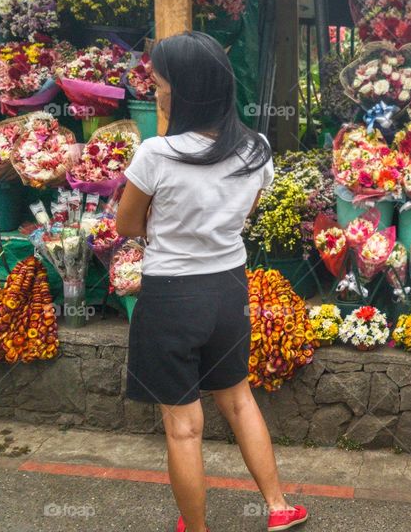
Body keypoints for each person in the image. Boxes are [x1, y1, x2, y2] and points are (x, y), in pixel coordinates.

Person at [117, 32, 309, 532]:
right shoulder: (256, 149)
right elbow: (241, 216)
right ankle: (278, 506)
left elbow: (126, 227)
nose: (156, 92)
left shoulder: (156, 154)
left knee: (184, 428)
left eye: (160, 85)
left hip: (172, 296)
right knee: (239, 399)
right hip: (228, 290)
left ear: (185, 91)